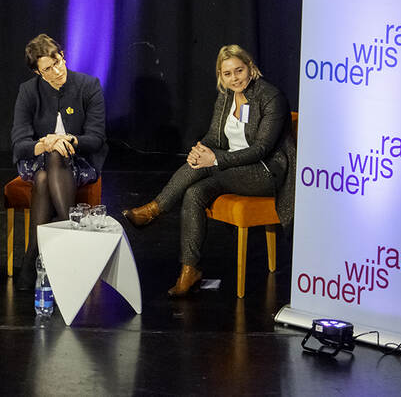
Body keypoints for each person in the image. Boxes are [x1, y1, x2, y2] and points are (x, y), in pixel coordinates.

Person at [122, 45, 295, 297]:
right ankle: (189, 270)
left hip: (266, 172)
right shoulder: (226, 96)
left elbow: (261, 149)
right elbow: (214, 136)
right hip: (231, 168)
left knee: (207, 170)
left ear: (251, 67)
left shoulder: (270, 97)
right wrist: (199, 150)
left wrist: (215, 159)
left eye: (239, 70)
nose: (234, 78)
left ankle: (155, 209)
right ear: (220, 75)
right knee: (194, 193)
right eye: (227, 73)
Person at [10, 34, 107, 290]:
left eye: (58, 61)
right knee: (48, 161)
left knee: (51, 165)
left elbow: (96, 139)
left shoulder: (88, 85)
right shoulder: (28, 91)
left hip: (80, 161)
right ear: (37, 72)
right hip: (36, 160)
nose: (57, 70)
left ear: (62, 55)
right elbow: (19, 144)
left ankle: (32, 257)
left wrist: (68, 141)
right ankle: (71, 239)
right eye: (48, 68)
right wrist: (46, 143)